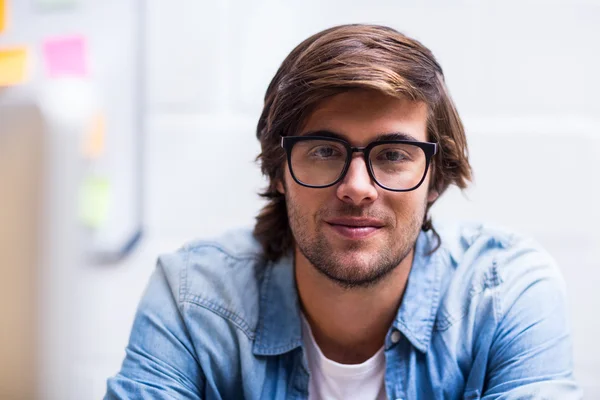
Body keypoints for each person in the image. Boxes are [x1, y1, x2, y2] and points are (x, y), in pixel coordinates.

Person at [105, 24, 581, 399]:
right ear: (278, 170)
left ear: (435, 178)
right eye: (325, 150)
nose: (356, 188)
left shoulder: (503, 294)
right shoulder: (194, 295)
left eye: (393, 154)